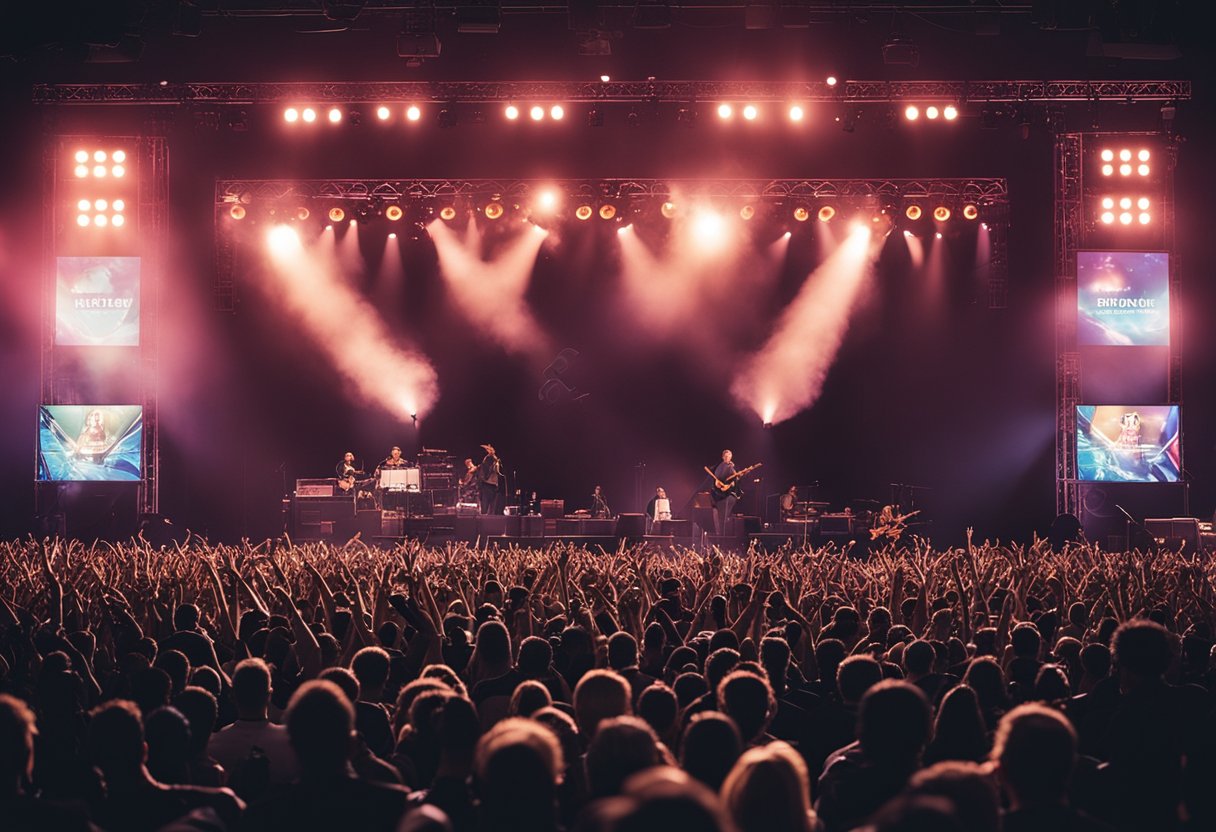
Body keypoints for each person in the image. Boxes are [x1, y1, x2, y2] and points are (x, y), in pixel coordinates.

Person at [710, 449, 739, 535]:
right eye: (726, 456)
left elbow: (736, 480)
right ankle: (720, 534)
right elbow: (716, 482)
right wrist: (720, 485)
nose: (727, 458)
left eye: (729, 456)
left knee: (726, 513)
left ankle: (725, 532)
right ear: (723, 457)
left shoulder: (732, 467)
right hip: (719, 495)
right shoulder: (720, 467)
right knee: (719, 514)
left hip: (729, 494)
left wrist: (729, 485)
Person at [477, 445, 501, 515]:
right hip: (488, 484)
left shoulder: (493, 460)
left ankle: (488, 520)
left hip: (491, 484)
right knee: (487, 505)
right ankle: (486, 520)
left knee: (489, 505)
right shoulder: (489, 460)